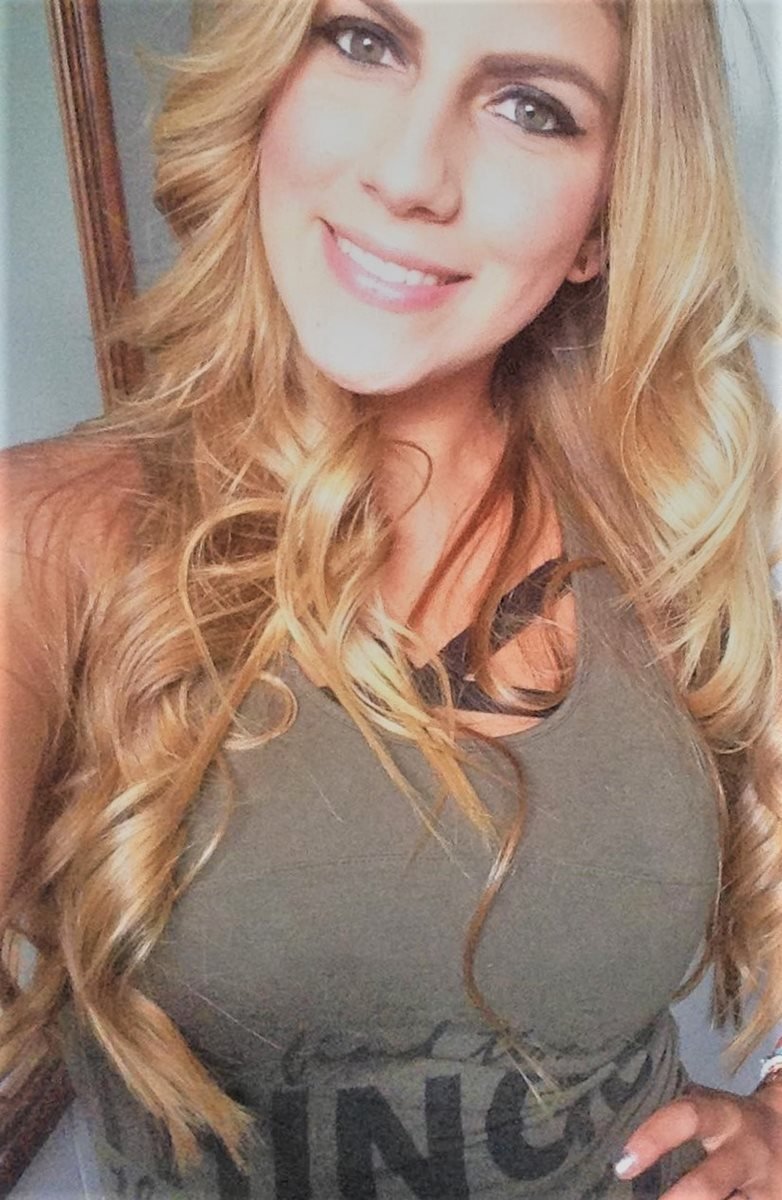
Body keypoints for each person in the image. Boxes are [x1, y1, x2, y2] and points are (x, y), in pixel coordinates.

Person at [2, 0, 782, 1196]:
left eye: (530, 108)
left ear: (601, 222)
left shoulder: (664, 520)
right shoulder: (47, 540)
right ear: (266, 85)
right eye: (364, 41)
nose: (411, 175)